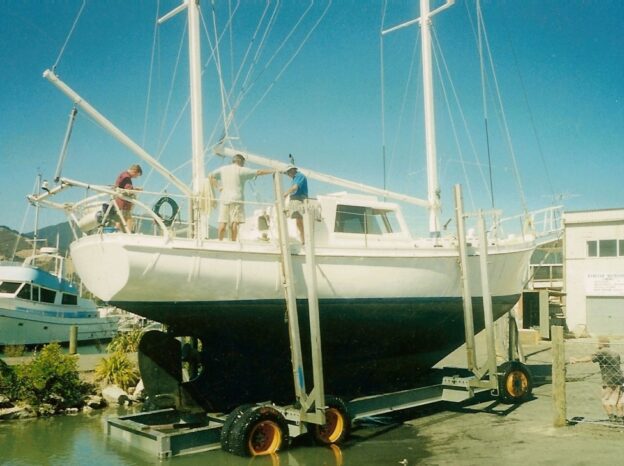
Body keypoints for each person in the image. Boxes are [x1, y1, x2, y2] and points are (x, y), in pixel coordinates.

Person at [209, 154, 273, 241]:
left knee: (222, 222)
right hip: (236, 199)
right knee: (235, 222)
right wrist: (273, 171)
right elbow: (259, 172)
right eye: (243, 162)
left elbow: (211, 176)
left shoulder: (223, 169)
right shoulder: (241, 170)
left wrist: (219, 187)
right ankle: (233, 241)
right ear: (240, 161)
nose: (243, 164)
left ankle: (220, 241)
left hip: (224, 198)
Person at [570, 336, 624, 422]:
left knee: (606, 399)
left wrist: (577, 360)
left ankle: (612, 418)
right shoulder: (615, 352)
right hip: (619, 379)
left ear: (601, 344)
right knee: (618, 400)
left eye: (597, 342)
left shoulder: (602, 352)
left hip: (608, 379)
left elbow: (590, 358)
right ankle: (620, 418)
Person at [113, 164, 143, 232]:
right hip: (123, 203)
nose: (136, 177)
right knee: (128, 219)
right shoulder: (127, 177)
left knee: (120, 219)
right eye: (137, 175)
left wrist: (134, 188)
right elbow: (128, 190)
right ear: (134, 171)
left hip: (120, 202)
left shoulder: (123, 174)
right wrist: (136, 190)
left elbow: (124, 187)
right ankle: (128, 235)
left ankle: (118, 232)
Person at [283, 164, 308, 243]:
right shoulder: (295, 177)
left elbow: (295, 187)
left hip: (299, 199)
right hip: (294, 199)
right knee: (297, 220)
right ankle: (302, 238)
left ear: (292, 170)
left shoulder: (299, 176)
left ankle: (303, 239)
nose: (288, 175)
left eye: (288, 173)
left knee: (299, 219)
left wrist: (285, 193)